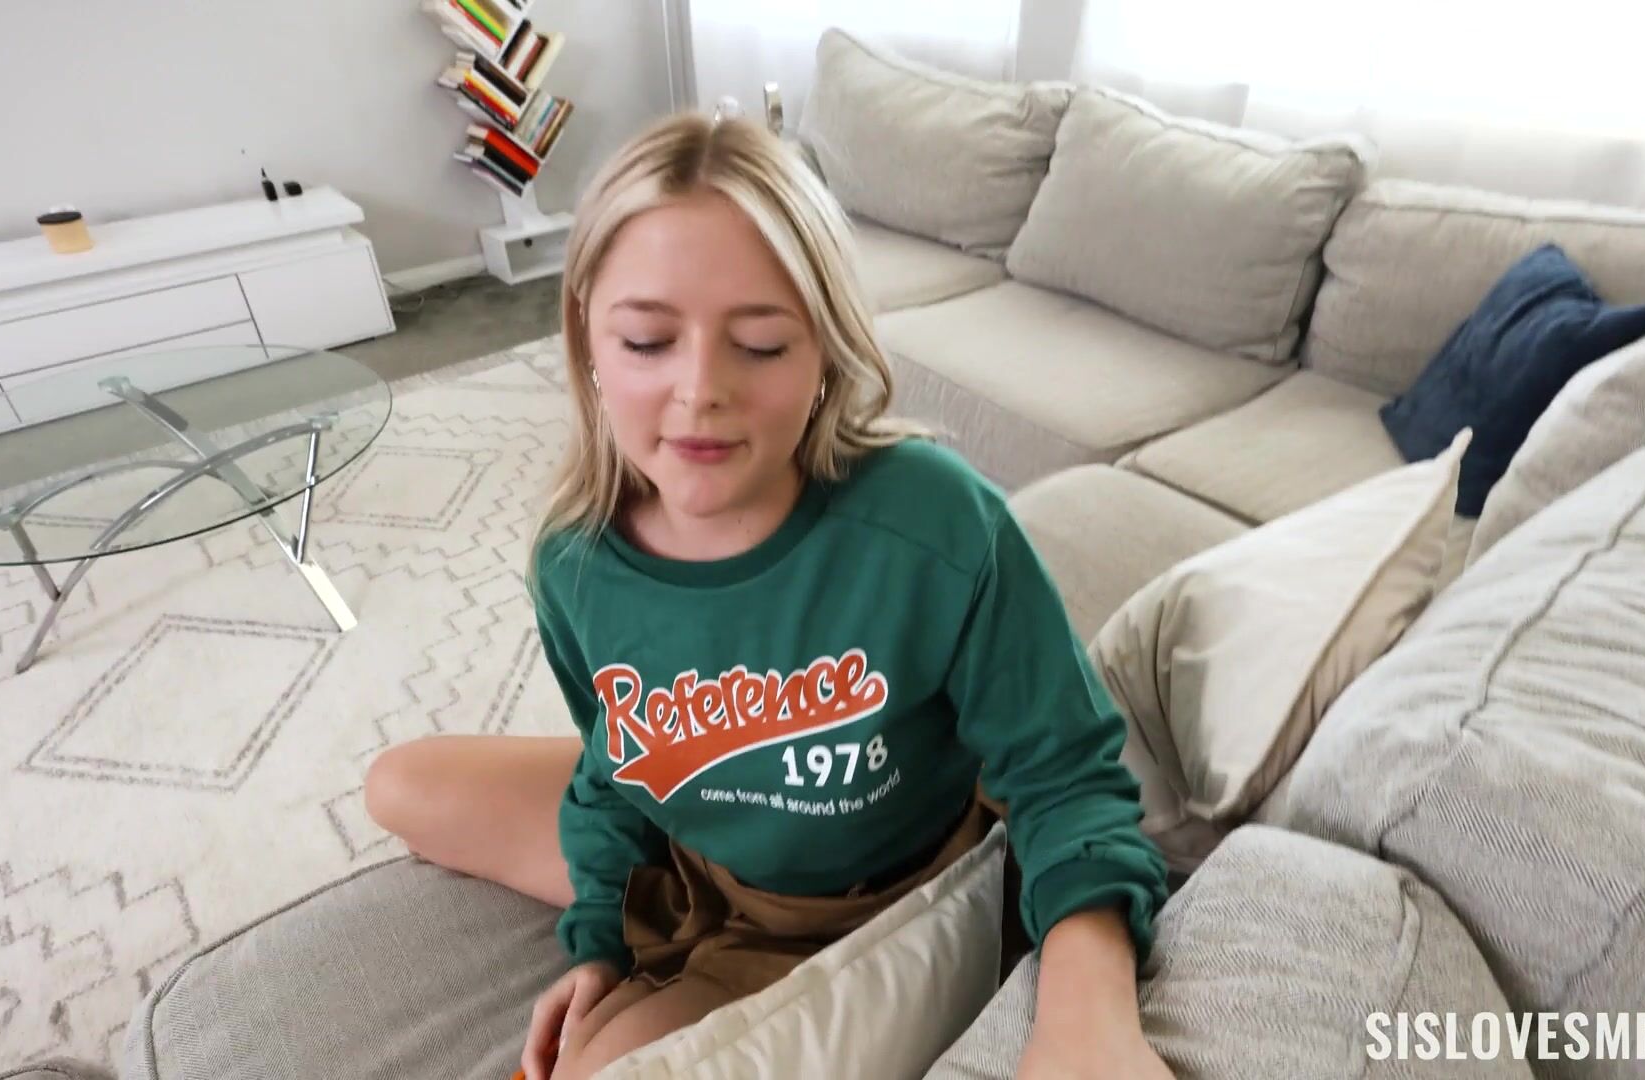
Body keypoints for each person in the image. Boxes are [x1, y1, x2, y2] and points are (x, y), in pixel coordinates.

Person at [363, 110, 1174, 1080]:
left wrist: (1089, 1018)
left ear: (825, 349)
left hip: (879, 901)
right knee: (396, 784)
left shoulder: (937, 522)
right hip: (698, 859)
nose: (700, 390)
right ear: (586, 340)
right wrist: (599, 945)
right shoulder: (573, 560)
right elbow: (616, 768)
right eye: (648, 340)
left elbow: (1069, 777)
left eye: (758, 344)